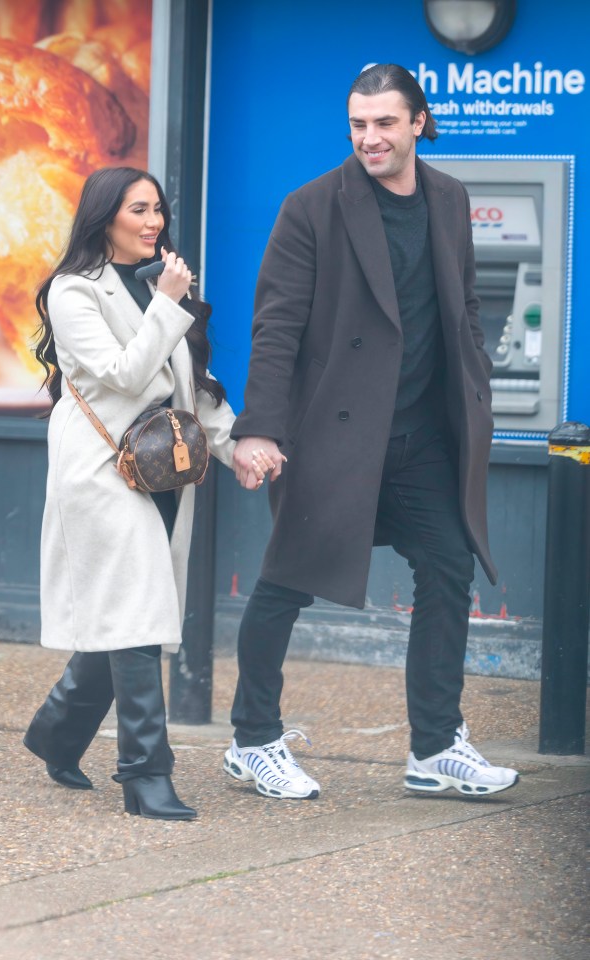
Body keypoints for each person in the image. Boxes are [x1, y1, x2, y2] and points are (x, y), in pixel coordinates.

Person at [223, 64, 519, 801]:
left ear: (419, 121)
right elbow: (276, 327)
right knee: (286, 582)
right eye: (358, 123)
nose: (369, 137)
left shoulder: (449, 199)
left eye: (385, 122)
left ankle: (434, 747)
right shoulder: (312, 207)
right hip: (333, 436)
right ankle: (252, 739)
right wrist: (259, 428)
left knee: (449, 568)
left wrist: (476, 385)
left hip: (421, 437)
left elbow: (465, 308)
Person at [23, 166, 272, 820]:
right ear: (105, 216)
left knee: (129, 611)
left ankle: (57, 729)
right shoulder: (73, 293)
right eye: (138, 209)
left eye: (158, 209)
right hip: (102, 470)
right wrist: (168, 302)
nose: (153, 222)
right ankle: (144, 775)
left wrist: (234, 446)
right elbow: (123, 380)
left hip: (163, 470)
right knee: (137, 613)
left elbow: (192, 381)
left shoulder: (156, 286)